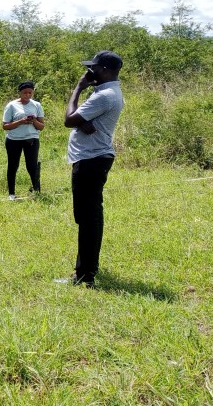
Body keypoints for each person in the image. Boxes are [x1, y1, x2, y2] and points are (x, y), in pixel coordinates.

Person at [56, 51, 125, 287]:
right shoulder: (107, 92)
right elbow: (80, 120)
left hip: (91, 160)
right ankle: (86, 270)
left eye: (93, 68)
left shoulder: (104, 95)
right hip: (93, 158)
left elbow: (68, 119)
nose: (89, 72)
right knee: (89, 217)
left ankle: (85, 275)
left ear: (105, 70)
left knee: (88, 219)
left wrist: (78, 88)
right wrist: (83, 122)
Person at [1, 81, 44, 200]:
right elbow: (5, 126)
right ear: (20, 93)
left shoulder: (36, 105)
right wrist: (21, 121)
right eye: (25, 93)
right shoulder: (12, 105)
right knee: (13, 166)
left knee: (32, 166)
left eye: (30, 93)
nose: (27, 95)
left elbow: (41, 126)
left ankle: (37, 191)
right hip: (14, 140)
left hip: (31, 140)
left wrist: (34, 121)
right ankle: (11, 194)